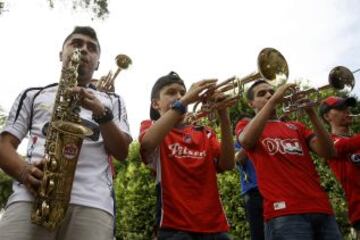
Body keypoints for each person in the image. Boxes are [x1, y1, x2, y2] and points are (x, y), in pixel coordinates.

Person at [0, 26, 132, 240]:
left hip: (93, 204)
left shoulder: (113, 101)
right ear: (62, 54)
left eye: (92, 48)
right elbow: (4, 146)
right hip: (31, 197)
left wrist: (101, 112)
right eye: (76, 44)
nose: (84, 50)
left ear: (97, 63)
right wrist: (24, 172)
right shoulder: (33, 94)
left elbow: (122, 152)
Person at [235, 79, 342, 239]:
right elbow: (246, 141)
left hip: (321, 208)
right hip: (284, 213)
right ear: (251, 104)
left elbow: (329, 152)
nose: (269, 95)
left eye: (271, 91)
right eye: (262, 94)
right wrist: (273, 100)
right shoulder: (246, 124)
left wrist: (311, 113)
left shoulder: (297, 126)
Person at [139, 71, 235, 240]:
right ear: (156, 104)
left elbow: (227, 164)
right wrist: (184, 100)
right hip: (174, 227)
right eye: (171, 92)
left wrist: (224, 115)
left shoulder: (204, 131)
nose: (179, 96)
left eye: (183, 92)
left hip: (215, 228)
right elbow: (147, 143)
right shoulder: (151, 126)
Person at [319, 96, 360, 237]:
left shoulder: (356, 139)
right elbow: (346, 146)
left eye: (347, 108)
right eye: (341, 109)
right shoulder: (330, 142)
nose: (347, 111)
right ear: (327, 116)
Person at [235, 139, 264, 240]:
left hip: (273, 189)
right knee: (258, 233)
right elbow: (238, 159)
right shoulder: (241, 138)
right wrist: (252, 138)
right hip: (253, 192)